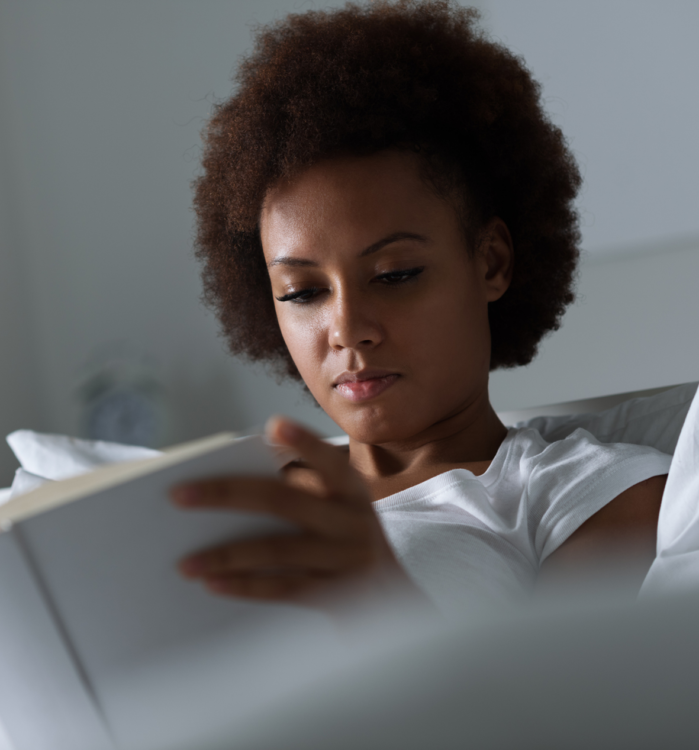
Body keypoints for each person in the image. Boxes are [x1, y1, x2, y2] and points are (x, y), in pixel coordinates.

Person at [169, 0, 672, 614]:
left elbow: (564, 709)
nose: (348, 330)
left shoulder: (587, 493)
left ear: (491, 263)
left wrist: (379, 594)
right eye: (304, 292)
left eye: (395, 274)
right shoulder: (239, 490)